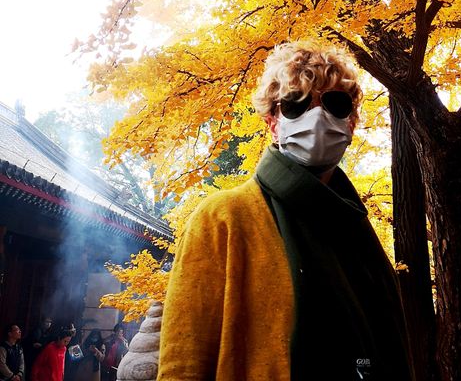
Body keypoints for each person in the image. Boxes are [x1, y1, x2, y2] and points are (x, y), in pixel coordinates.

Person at [158, 40, 414, 381]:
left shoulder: (356, 229)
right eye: (296, 104)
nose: (317, 116)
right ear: (272, 122)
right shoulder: (222, 220)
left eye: (336, 104)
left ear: (352, 122)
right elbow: (183, 366)